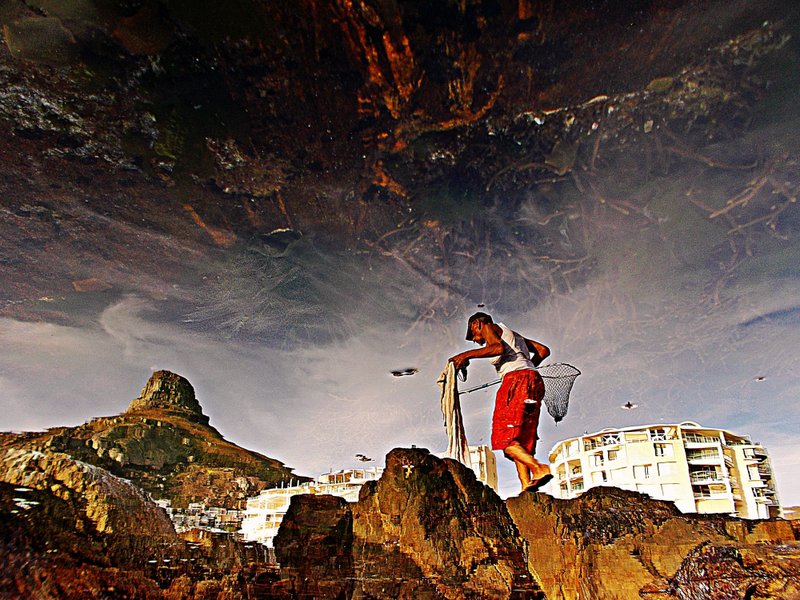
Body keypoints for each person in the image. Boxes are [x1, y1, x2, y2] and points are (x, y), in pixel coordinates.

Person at [449, 312, 553, 493]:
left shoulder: (488, 326)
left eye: (473, 334)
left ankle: (539, 468)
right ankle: (526, 485)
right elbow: (543, 350)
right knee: (521, 440)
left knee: (504, 438)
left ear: (478, 324)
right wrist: (527, 367)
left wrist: (465, 355)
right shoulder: (515, 335)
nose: (475, 340)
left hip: (516, 381)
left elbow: (497, 348)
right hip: (532, 380)